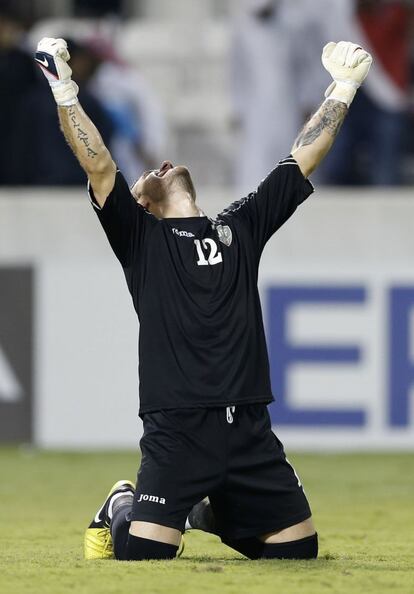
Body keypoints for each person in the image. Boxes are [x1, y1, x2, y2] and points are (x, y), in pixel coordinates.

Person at [34, 37, 371, 561]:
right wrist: (64, 90)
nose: (163, 164)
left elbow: (301, 158)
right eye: (150, 174)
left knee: (298, 555)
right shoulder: (139, 239)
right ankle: (122, 502)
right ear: (141, 203)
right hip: (178, 429)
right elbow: (99, 165)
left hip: (250, 429)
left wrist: (343, 89)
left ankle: (205, 510)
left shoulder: (240, 226)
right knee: (143, 555)